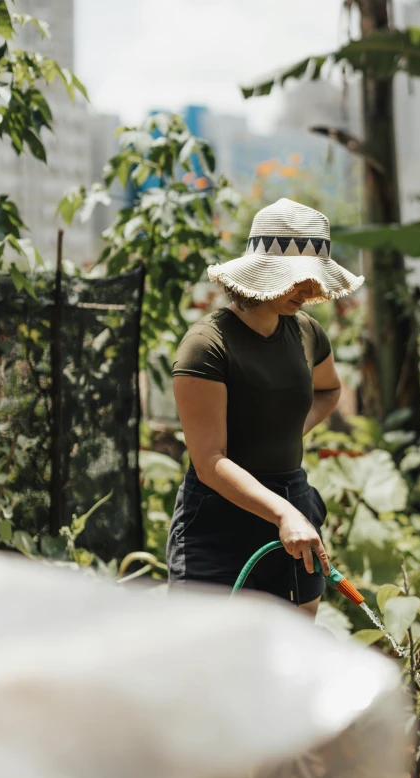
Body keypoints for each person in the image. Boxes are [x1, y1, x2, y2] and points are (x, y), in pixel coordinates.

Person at [167, 198, 364, 615]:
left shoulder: (307, 332)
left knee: (291, 656)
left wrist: (287, 430)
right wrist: (283, 515)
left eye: (316, 279)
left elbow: (329, 390)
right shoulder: (207, 345)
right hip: (219, 517)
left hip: (292, 499)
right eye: (299, 279)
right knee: (209, 657)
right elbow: (209, 461)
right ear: (264, 274)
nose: (311, 292)